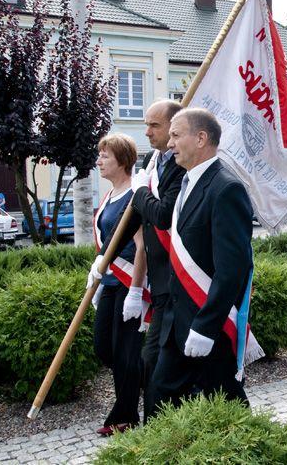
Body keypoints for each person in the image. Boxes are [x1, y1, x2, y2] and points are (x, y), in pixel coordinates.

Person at [151, 108, 263, 411]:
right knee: (160, 398)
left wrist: (205, 326)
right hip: (177, 323)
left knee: (226, 405)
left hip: (207, 326)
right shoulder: (188, 182)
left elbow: (232, 270)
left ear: (201, 138)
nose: (169, 143)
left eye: (175, 135)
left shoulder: (226, 188)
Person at [98, 99, 187, 420]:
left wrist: (140, 194)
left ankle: (154, 427)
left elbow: (162, 216)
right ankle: (155, 425)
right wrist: (103, 259)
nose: (146, 131)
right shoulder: (155, 161)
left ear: (175, 128)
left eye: (154, 125)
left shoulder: (179, 166)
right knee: (153, 362)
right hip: (164, 282)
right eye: (146, 124)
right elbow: (135, 219)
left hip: (180, 279)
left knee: (158, 364)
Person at [85, 133, 147, 436]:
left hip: (127, 283)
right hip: (109, 282)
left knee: (124, 353)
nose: (98, 161)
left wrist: (136, 291)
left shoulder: (135, 195)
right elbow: (105, 241)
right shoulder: (110, 196)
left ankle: (125, 416)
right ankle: (149, 378)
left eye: (104, 156)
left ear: (122, 160)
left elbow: (141, 247)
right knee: (104, 347)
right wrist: (96, 269)